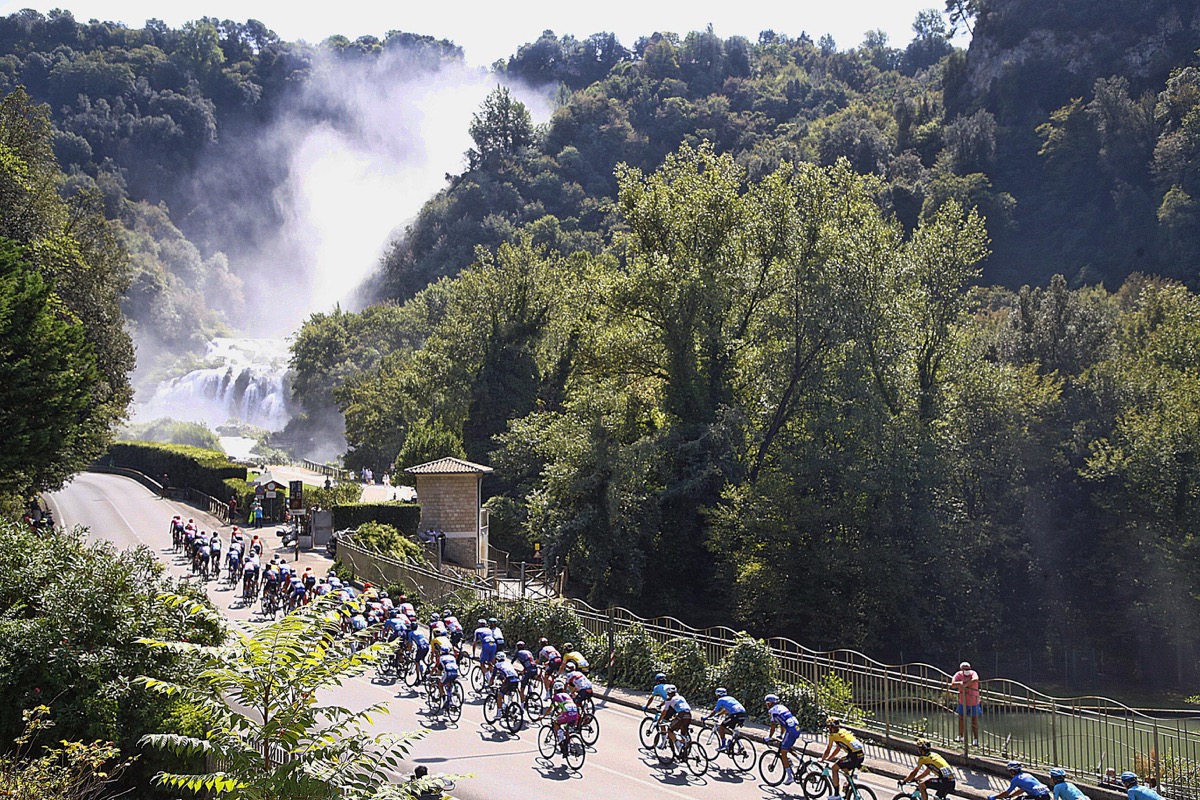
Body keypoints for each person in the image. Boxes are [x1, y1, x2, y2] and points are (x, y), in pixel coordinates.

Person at [821, 716, 866, 798]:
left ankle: (836, 795)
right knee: (845, 769)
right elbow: (838, 748)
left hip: (853, 756)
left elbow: (828, 750)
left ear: (832, 727)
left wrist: (822, 759)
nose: (828, 729)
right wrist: (829, 758)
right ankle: (850, 789)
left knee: (834, 768)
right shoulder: (843, 731)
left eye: (829, 727)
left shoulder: (833, 736)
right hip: (861, 755)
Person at [765, 694, 803, 786]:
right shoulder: (782, 707)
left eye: (766, 703)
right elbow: (783, 723)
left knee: (783, 753)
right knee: (787, 747)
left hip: (790, 731)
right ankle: (800, 760)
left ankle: (790, 777)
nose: (766, 705)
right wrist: (781, 735)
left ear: (770, 703)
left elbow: (773, 725)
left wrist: (769, 737)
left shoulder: (772, 711)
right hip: (796, 727)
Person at [702, 687, 747, 753]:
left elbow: (714, 711)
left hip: (735, 715)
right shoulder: (730, 698)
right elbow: (727, 710)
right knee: (733, 730)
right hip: (743, 714)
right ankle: (740, 746)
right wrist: (719, 714)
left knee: (721, 726)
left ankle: (723, 746)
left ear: (718, 695)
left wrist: (706, 717)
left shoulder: (720, 700)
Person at [950, 661, 981, 745]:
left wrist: (965, 684)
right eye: (965, 669)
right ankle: (961, 736)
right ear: (962, 669)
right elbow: (952, 684)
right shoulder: (958, 675)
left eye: (968, 668)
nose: (967, 670)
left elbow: (975, 679)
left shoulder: (973, 673)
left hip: (974, 701)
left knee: (974, 720)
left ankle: (975, 739)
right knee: (961, 719)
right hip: (963, 701)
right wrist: (960, 683)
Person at [659, 685, 693, 758]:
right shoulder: (681, 697)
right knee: (683, 734)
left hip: (681, 715)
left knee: (670, 730)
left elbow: (664, 712)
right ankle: (685, 751)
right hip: (689, 715)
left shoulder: (669, 700)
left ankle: (678, 745)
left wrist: (659, 721)